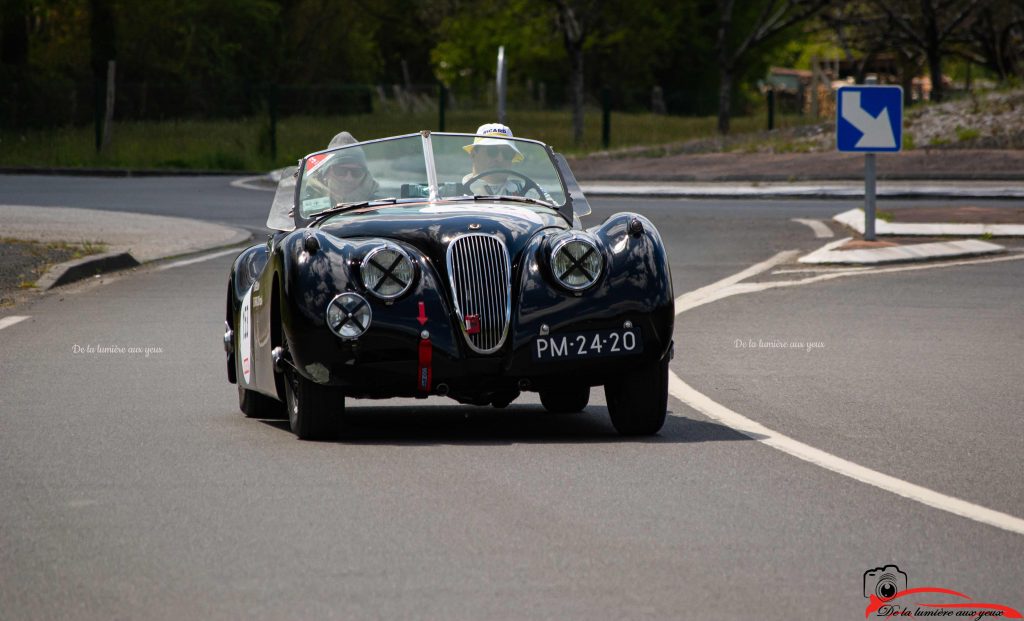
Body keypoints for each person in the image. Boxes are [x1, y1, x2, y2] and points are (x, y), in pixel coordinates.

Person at [461, 123, 527, 196]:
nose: (500, 159)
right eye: (492, 150)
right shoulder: (451, 193)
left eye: (507, 153)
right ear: (473, 154)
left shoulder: (528, 193)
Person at [322, 131, 379, 204]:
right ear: (326, 172)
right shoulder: (305, 207)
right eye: (341, 171)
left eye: (356, 172)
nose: (348, 178)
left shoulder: (380, 206)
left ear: (365, 175)